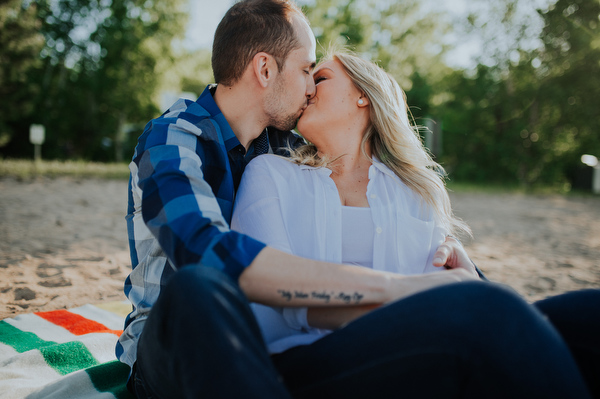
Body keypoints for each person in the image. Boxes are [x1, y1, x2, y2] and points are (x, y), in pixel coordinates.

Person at [118, 1, 481, 398]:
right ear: (265, 69)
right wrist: (396, 290)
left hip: (250, 352)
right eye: (307, 69)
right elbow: (205, 251)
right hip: (172, 347)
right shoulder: (173, 138)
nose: (310, 87)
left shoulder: (283, 149)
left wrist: (454, 259)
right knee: (198, 288)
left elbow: (350, 167)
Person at [231, 51, 600, 398]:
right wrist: (438, 300)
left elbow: (449, 287)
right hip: (304, 364)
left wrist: (464, 279)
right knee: (493, 313)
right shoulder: (270, 174)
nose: (307, 87)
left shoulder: (414, 190)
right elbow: (279, 295)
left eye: (321, 77)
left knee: (588, 315)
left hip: (414, 345)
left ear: (363, 95)